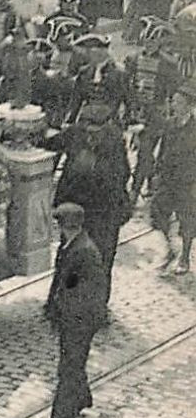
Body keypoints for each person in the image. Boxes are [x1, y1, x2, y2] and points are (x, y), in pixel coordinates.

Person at [45, 203, 109, 418]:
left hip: (78, 323)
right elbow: (64, 282)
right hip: (71, 320)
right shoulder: (72, 246)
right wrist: (52, 308)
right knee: (72, 366)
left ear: (63, 225)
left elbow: (84, 294)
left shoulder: (83, 252)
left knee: (67, 374)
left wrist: (66, 317)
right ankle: (83, 398)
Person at [50, 100, 131, 294]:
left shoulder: (114, 143)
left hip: (104, 213)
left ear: (105, 126)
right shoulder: (75, 134)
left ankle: (95, 307)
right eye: (88, 128)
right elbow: (50, 143)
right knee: (68, 255)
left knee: (101, 259)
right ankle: (60, 302)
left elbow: (122, 176)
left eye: (96, 130)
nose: (91, 134)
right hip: (76, 210)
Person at [150, 92, 196, 274]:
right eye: (173, 101)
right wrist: (156, 173)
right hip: (168, 179)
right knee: (158, 212)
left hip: (188, 181)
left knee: (187, 220)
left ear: (188, 105)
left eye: (178, 102)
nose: (174, 105)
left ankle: (184, 257)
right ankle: (170, 249)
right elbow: (162, 150)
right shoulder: (169, 124)